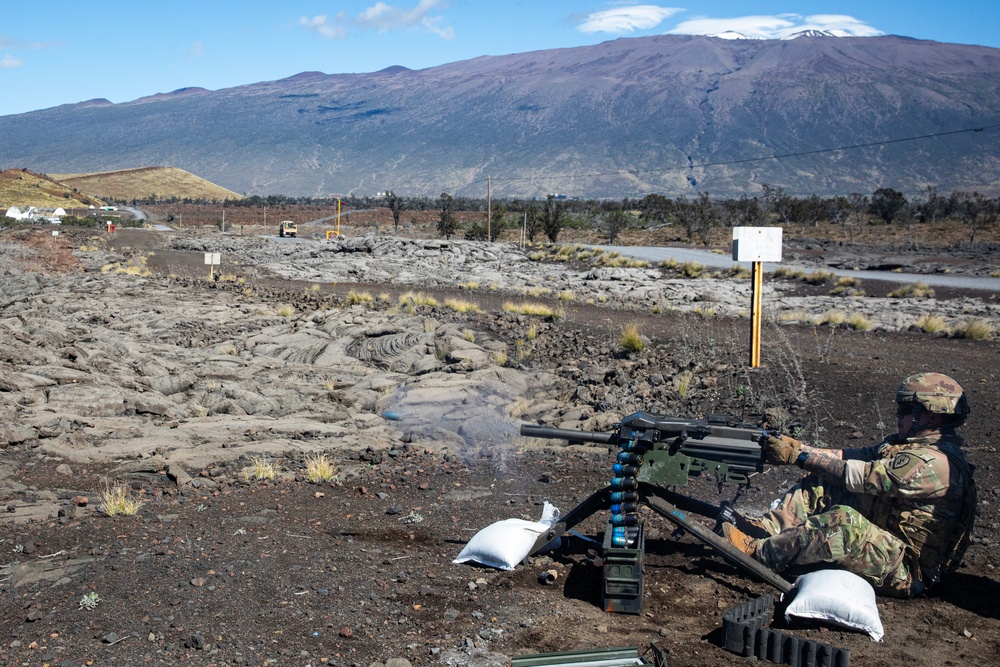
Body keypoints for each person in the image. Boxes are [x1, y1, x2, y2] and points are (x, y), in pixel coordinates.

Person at [723, 372, 977, 598]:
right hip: (886, 544)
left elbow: (864, 476)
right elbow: (852, 457)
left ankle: (758, 553)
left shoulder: (937, 463)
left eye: (906, 410)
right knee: (823, 476)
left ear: (930, 417)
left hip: (907, 570)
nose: (898, 415)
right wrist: (801, 450)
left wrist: (799, 457)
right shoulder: (909, 446)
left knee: (844, 522)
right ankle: (769, 528)